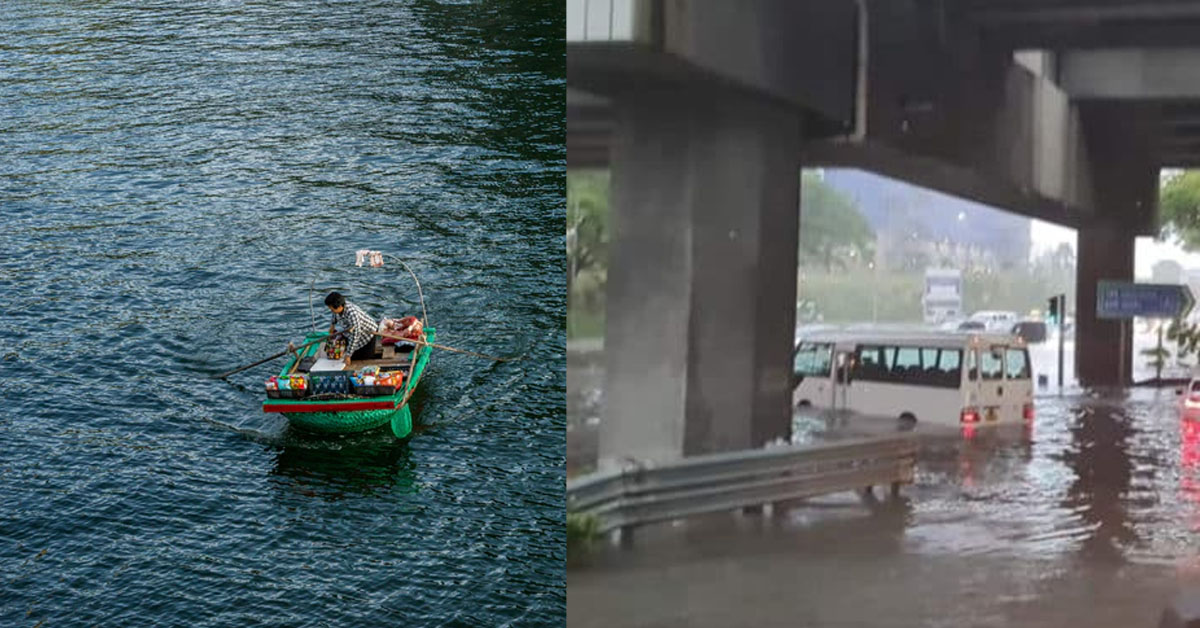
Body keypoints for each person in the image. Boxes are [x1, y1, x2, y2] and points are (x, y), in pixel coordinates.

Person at [324, 292, 379, 367]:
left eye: (332, 309)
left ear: (339, 306)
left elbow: (355, 335)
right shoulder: (338, 308)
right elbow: (334, 314)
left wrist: (348, 355)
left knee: (362, 358)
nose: (331, 311)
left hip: (366, 334)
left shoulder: (352, 314)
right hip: (349, 331)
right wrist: (332, 325)